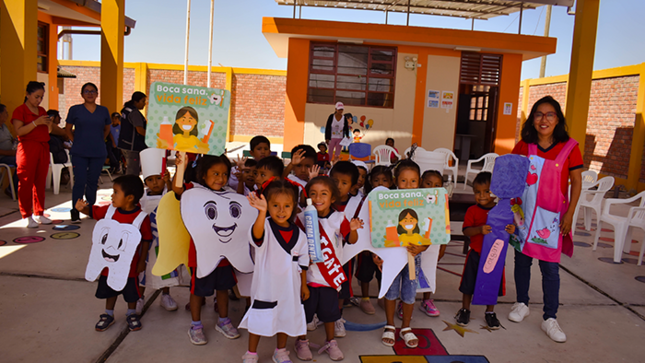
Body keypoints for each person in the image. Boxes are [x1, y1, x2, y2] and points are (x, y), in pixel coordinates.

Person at [509, 95, 583, 343]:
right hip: (523, 214)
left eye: (550, 114)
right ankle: (522, 303)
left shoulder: (570, 147)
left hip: (551, 220)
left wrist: (570, 215)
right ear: (532, 119)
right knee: (522, 260)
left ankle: (550, 317)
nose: (544, 119)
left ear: (558, 119)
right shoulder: (523, 145)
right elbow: (511, 176)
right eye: (539, 114)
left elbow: (577, 183)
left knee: (550, 268)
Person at [172, 153, 240, 345]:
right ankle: (196, 325)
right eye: (215, 173)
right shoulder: (194, 190)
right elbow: (177, 188)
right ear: (203, 175)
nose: (221, 178)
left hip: (224, 254)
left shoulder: (229, 194)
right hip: (200, 255)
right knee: (197, 291)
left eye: (225, 174)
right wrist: (181, 167)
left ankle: (224, 321)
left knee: (223, 289)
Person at [294, 176, 363, 361]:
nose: (318, 198)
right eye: (313, 194)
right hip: (307, 278)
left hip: (329, 278)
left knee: (330, 314)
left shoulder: (339, 218)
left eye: (323, 194)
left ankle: (331, 341)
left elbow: (352, 240)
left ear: (333, 198)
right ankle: (301, 341)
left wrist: (354, 229)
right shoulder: (301, 218)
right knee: (304, 314)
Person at [240, 180, 309, 363]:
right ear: (267, 205)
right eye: (275, 205)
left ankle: (280, 351)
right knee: (259, 318)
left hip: (290, 287)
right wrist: (261, 213)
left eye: (286, 206)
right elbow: (256, 236)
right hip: (266, 286)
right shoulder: (265, 226)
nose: (281, 210)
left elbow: (303, 262)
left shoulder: (300, 235)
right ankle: (251, 353)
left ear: (294, 206)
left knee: (285, 317)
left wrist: (303, 285)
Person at [75, 174, 152, 332]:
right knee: (110, 288)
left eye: (116, 192)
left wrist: (142, 261)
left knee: (131, 291)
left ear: (130, 198)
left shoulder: (141, 218)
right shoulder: (109, 211)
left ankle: (131, 313)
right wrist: (83, 209)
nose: (112, 195)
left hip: (129, 267)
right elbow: (94, 212)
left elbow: (146, 240)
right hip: (107, 265)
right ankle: (108, 314)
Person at [454, 172, 515, 329]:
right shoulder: (472, 211)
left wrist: (511, 229)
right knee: (468, 284)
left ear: (494, 192)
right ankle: (465, 309)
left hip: (495, 256)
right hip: (475, 253)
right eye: (477, 192)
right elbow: (466, 231)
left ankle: (490, 312)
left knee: (492, 284)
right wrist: (479, 230)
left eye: (486, 191)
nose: (482, 195)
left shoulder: (502, 211)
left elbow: (510, 229)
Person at [381, 159, 427, 349]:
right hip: (391, 256)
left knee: (409, 294)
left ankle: (406, 327)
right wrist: (378, 254)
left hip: (412, 257)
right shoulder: (388, 202)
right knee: (391, 292)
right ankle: (390, 325)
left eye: (413, 181)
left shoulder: (425, 203)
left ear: (420, 181)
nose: (408, 185)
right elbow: (380, 229)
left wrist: (422, 247)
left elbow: (432, 231)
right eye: (403, 181)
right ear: (395, 181)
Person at [136, 151, 180, 314]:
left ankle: (165, 295)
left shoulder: (167, 194)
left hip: (164, 242)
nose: (155, 183)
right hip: (146, 242)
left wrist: (169, 183)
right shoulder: (142, 199)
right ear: (145, 181)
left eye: (158, 178)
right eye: (150, 179)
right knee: (143, 271)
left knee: (166, 269)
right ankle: (139, 298)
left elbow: (172, 200)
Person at [65, 82, 111, 222]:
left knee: (92, 181)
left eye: (93, 91)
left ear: (97, 94)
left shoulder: (103, 110)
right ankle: (75, 210)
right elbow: (67, 129)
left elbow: (107, 129)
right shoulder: (75, 110)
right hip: (79, 151)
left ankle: (90, 208)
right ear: (82, 94)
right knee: (80, 181)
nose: (90, 93)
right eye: (86, 91)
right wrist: (76, 141)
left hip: (98, 151)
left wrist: (99, 140)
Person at [11, 81, 52, 228]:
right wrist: (36, 122)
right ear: (27, 95)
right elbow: (19, 131)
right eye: (36, 96)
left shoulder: (42, 110)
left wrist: (48, 125)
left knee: (40, 182)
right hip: (28, 148)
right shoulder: (20, 110)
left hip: (43, 147)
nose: (39, 100)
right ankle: (26, 215)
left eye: (41, 97)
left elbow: (48, 132)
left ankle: (39, 213)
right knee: (26, 182)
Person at [118, 91, 148, 176]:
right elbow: (140, 130)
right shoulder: (134, 113)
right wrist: (152, 137)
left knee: (130, 169)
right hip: (132, 147)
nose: (144, 104)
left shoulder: (126, 110)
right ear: (136, 101)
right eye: (143, 101)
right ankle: (130, 188)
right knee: (133, 171)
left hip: (124, 144)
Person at [47, 110, 71, 186]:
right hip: (56, 156)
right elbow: (65, 134)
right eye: (58, 117)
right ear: (53, 118)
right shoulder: (52, 128)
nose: (60, 118)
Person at [0, 104, 19, 197]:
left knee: (27, 160)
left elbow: (11, 139)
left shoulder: (4, 127)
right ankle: (12, 190)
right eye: (5, 113)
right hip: (3, 157)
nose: (7, 115)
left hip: (11, 154)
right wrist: (10, 153)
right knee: (21, 162)